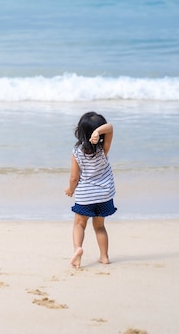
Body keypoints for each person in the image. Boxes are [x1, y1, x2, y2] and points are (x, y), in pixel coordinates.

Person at [64, 111, 117, 268]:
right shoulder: (103, 150)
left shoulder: (76, 153)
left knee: (79, 224)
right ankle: (104, 257)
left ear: (80, 132)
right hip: (104, 196)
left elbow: (74, 178)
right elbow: (111, 128)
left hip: (85, 196)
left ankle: (78, 250)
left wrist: (70, 189)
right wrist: (99, 132)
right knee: (100, 227)